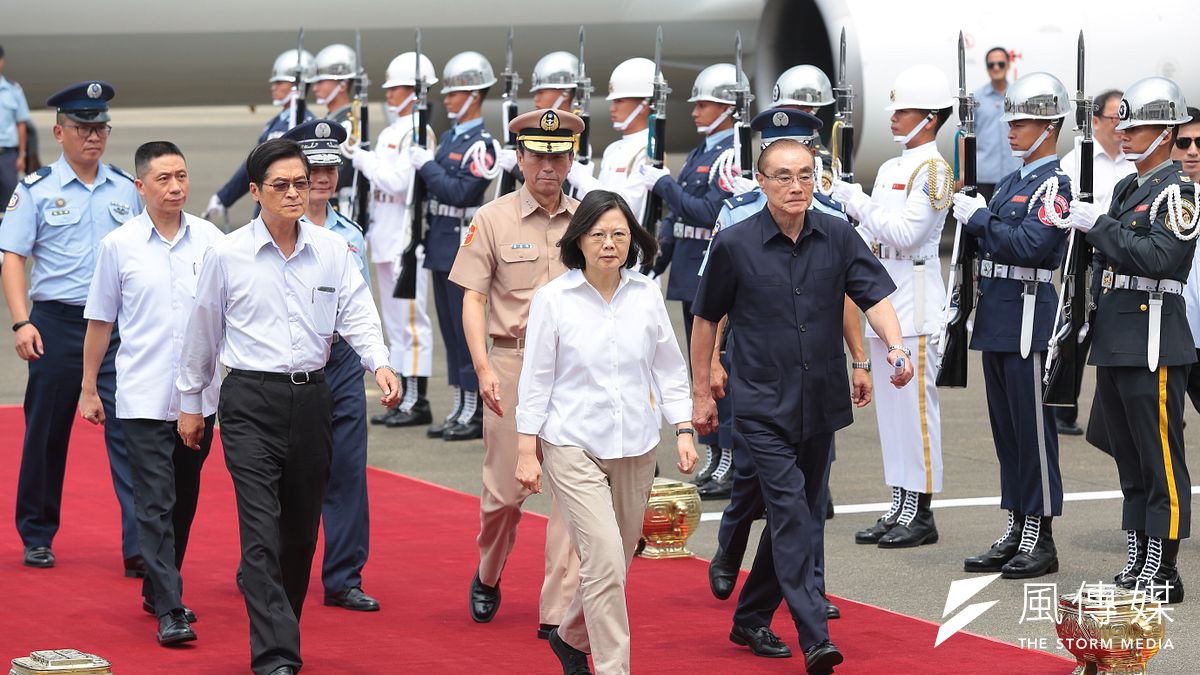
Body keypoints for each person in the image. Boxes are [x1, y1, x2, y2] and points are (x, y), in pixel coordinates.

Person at [176, 138, 399, 675]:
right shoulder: (227, 254)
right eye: (281, 185)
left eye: (301, 182)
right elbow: (202, 332)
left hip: (312, 398)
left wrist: (381, 363)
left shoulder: (332, 249)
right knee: (259, 527)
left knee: (299, 532)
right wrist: (191, 403)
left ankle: (283, 624)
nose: (295, 192)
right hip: (250, 399)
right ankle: (275, 654)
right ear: (255, 192)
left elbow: (358, 312)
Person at [692, 138, 913, 674]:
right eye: (783, 177)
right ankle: (815, 635)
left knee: (799, 512)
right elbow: (706, 318)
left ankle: (749, 617)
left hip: (820, 403)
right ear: (761, 183)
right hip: (762, 404)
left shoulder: (837, 235)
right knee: (792, 513)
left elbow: (874, 295)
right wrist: (702, 388)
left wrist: (894, 347)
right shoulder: (735, 244)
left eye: (805, 176)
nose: (796, 186)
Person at [515, 189, 697, 675]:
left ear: (632, 240)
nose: (609, 244)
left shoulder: (646, 296)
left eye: (619, 234)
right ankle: (614, 668)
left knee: (619, 557)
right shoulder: (554, 300)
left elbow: (670, 369)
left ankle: (571, 637)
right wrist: (526, 449)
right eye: (599, 235)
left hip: (637, 445)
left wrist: (682, 428)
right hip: (571, 442)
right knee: (604, 560)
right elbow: (536, 379)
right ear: (580, 241)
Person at [706, 110, 865, 626]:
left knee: (802, 499)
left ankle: (803, 592)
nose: (795, 179)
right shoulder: (735, 217)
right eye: (780, 154)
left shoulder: (830, 218)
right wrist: (710, 367)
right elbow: (716, 307)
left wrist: (859, 357)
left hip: (814, 381)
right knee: (756, 483)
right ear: (763, 164)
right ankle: (731, 547)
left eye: (803, 158)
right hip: (759, 378)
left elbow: (843, 295)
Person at [449, 108, 585, 639]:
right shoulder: (492, 219)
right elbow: (474, 298)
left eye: (558, 155)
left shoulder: (589, 219)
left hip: (575, 370)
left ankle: (555, 611)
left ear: (571, 159)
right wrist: (483, 367)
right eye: (537, 155)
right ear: (520, 158)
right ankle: (488, 571)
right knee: (506, 494)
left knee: (572, 494)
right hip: (514, 362)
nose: (548, 165)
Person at [80, 141, 222, 646]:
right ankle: (170, 605)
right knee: (155, 501)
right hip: (140, 397)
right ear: (140, 186)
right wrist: (88, 387)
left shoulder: (210, 239)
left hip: (199, 399)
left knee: (184, 500)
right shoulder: (118, 245)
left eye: (181, 175)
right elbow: (100, 321)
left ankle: (159, 587)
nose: (176, 187)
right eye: (163, 178)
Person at [1, 80, 142, 575]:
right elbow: (13, 258)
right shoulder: (35, 190)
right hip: (57, 324)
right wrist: (22, 321)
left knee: (131, 432)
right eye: (83, 127)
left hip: (118, 328)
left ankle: (140, 545)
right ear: (60, 132)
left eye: (100, 127)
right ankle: (37, 534)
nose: (94, 136)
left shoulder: (128, 188)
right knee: (46, 432)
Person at [1068, 77, 1194, 605]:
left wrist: (1099, 227)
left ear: (1165, 133)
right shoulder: (1126, 187)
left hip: (1154, 336)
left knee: (1160, 453)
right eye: (1122, 122)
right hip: (1118, 333)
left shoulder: (1179, 192)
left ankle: (1164, 563)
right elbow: (1108, 258)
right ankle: (1139, 547)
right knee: (1129, 455)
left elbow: (1161, 258)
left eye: (1136, 125)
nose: (1122, 132)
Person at [951, 73, 1071, 579]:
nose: (1011, 129)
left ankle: (1040, 535)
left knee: (1033, 432)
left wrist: (979, 220)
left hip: (1029, 316)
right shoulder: (1012, 182)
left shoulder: (1054, 184)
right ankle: (1017, 524)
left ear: (1049, 127)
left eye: (1022, 122)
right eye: (1012, 119)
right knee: (1007, 431)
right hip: (999, 314)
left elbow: (1030, 247)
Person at [831, 64, 954, 549]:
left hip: (917, 301)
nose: (894, 118)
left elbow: (908, 234)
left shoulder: (934, 170)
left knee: (917, 410)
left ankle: (921, 509)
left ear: (928, 117)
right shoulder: (889, 168)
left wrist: (857, 202)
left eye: (903, 111)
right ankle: (899, 502)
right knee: (892, 413)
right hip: (885, 298)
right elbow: (872, 235)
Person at [282, 119, 381, 612]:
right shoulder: (277, 228)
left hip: (340, 359)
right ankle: (266, 565)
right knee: (285, 473)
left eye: (329, 167)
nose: (322, 177)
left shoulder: (351, 235)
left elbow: (360, 304)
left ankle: (344, 577)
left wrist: (376, 360)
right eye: (313, 167)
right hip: (290, 358)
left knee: (346, 470)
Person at [641, 62, 742, 499]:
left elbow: (708, 212)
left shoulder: (731, 154)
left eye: (704, 104)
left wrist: (664, 184)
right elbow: (680, 222)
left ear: (726, 108)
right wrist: (650, 262)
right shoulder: (704, 152)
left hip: (711, 269)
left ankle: (732, 459)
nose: (696, 111)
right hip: (687, 267)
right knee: (699, 368)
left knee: (720, 370)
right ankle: (716, 454)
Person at [410, 50, 500, 441]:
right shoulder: (449, 139)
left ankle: (475, 408)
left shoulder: (483, 145)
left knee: (467, 332)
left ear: (474, 96)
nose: (446, 99)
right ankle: (461, 403)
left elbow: (460, 192)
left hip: (465, 244)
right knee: (449, 330)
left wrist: (426, 166)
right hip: (440, 242)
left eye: (454, 93)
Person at [347, 51, 439, 428]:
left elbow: (399, 183)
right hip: (383, 234)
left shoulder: (419, 132)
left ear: (415, 92)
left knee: (412, 321)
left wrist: (363, 160)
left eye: (398, 88)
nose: (390, 94)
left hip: (405, 235)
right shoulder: (390, 131)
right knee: (394, 322)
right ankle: (401, 396)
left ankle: (418, 400)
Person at [1054, 90, 1137, 436]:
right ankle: (1062, 405)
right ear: (1096, 121)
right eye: (1114, 116)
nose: (1120, 124)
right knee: (1074, 333)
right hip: (1083, 254)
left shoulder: (1133, 161)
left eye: (1124, 115)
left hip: (1120, 257)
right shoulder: (1075, 160)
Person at [203, 49, 315, 222]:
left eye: (279, 82)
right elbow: (253, 167)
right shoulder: (273, 124)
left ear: (297, 86)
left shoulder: (308, 125)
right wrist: (223, 198)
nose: (274, 86)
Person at [565, 57, 654, 221]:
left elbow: (627, 206)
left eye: (619, 101)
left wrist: (584, 181)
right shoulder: (612, 149)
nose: (612, 108)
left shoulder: (649, 151)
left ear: (644, 105)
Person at [308, 44, 359, 216]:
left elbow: (343, 171)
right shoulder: (331, 120)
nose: (315, 88)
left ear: (342, 85)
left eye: (321, 82)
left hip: (341, 207)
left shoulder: (350, 122)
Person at [972, 47, 1021, 202]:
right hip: (983, 175)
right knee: (981, 222)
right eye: (991, 64)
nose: (996, 67)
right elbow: (964, 135)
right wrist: (963, 172)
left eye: (1000, 63)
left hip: (1014, 173)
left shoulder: (1019, 95)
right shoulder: (976, 98)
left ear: (1008, 65)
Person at [0, 44, 31, 223]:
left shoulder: (13, 90)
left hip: (7, 155)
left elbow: (21, 124)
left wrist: (22, 155)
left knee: (11, 203)